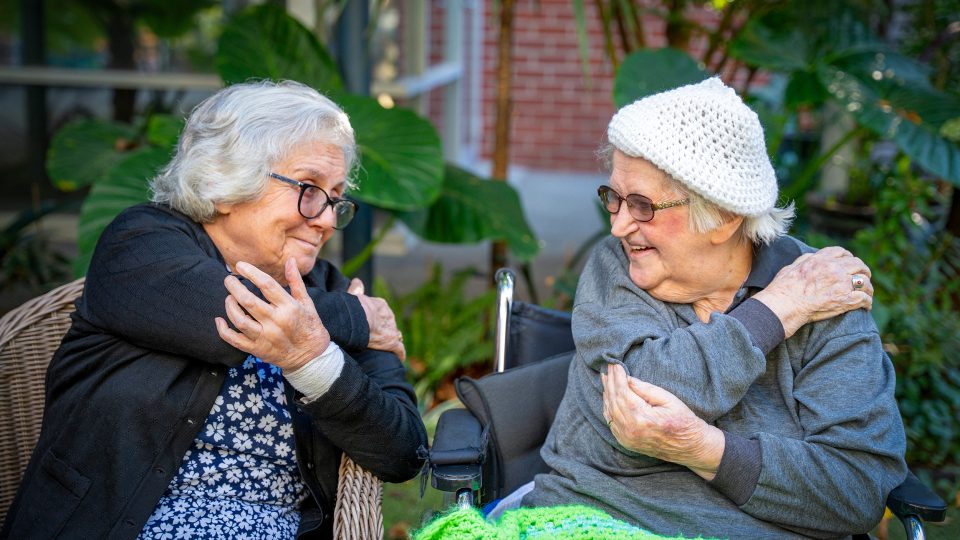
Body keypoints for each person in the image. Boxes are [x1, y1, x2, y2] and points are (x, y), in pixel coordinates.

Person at [1, 80, 427, 540]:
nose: (325, 218)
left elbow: (403, 450)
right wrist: (360, 320)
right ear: (226, 182)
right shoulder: (139, 244)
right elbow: (231, 312)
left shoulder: (330, 290)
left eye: (335, 197)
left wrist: (314, 363)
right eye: (308, 188)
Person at [522, 78, 907, 538]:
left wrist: (707, 450)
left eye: (642, 205)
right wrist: (778, 308)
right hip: (592, 518)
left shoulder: (824, 295)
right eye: (615, 198)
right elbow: (645, 397)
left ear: (724, 217)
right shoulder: (617, 268)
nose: (620, 224)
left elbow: (856, 489)